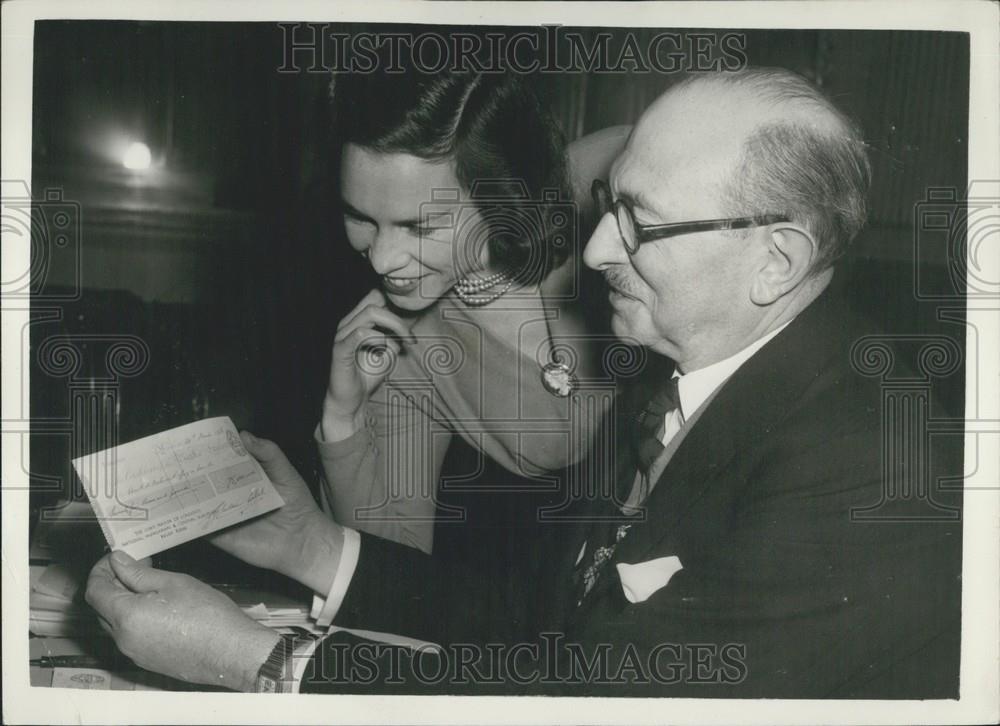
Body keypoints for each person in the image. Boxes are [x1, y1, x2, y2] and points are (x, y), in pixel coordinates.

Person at [86, 67, 962, 698]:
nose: (595, 250)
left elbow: (588, 705)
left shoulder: (870, 467)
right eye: (609, 205)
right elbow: (552, 621)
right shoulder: (684, 382)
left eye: (639, 224)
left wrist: (259, 662)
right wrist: (310, 544)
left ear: (776, 260)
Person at [315, 65, 627, 558]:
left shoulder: (612, 190)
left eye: (419, 227)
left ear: (501, 196)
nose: (381, 259)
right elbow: (393, 567)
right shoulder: (402, 345)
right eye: (359, 217)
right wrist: (341, 415)